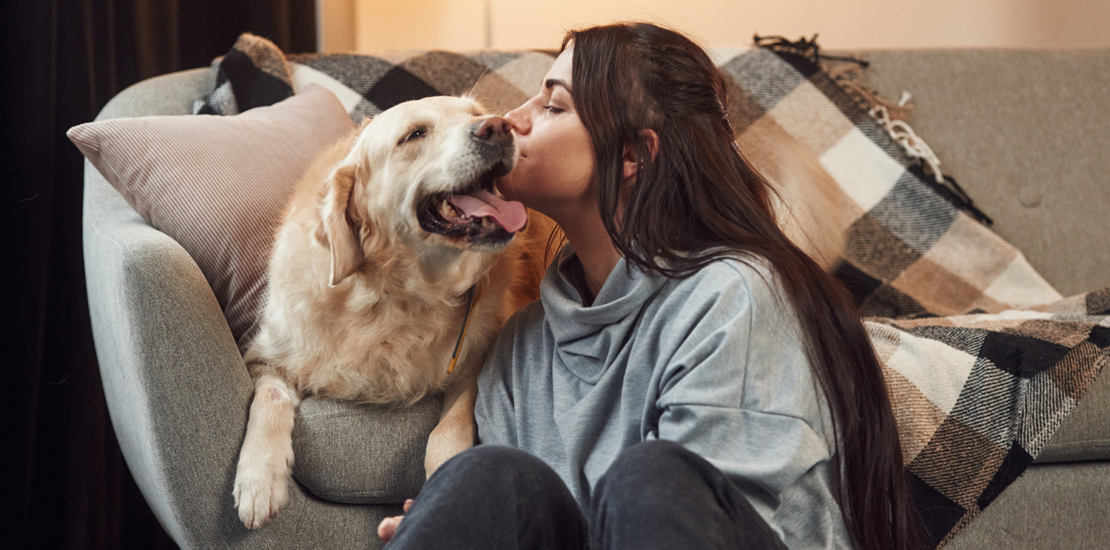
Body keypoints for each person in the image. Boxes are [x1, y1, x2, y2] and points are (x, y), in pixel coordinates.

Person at [377, 22, 922, 550]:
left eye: (552, 105)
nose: (507, 120)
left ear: (634, 155)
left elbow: (695, 522)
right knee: (489, 480)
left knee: (649, 479)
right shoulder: (523, 343)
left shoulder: (735, 296)